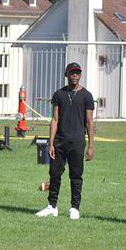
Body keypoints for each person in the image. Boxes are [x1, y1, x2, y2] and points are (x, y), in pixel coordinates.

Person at [36, 62, 95, 220]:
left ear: (80, 75)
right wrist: (51, 143)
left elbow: (89, 122)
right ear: (67, 75)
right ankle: (51, 206)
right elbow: (54, 120)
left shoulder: (87, 96)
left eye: (77, 72)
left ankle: (74, 208)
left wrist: (90, 146)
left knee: (76, 175)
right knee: (55, 174)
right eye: (72, 73)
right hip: (59, 142)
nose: (75, 75)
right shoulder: (59, 95)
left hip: (77, 142)